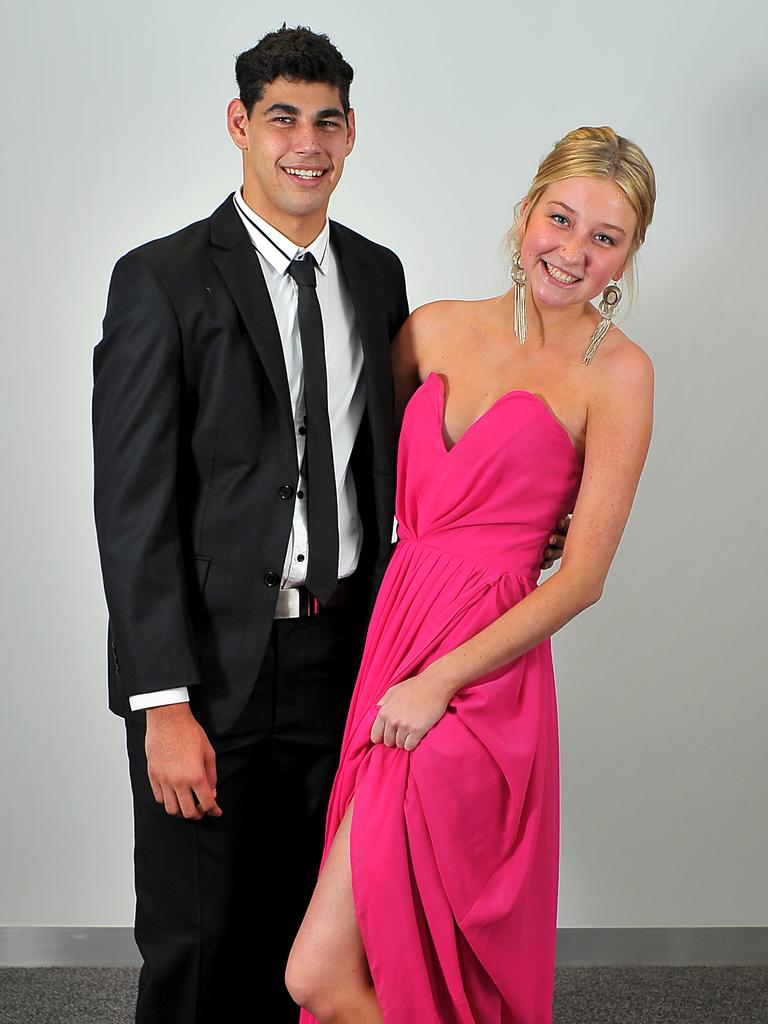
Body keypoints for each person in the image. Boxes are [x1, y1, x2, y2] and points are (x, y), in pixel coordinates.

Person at [92, 24, 568, 1023]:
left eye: (327, 122)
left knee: (306, 931)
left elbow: (406, 451)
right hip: (211, 665)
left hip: (349, 650)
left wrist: (527, 521)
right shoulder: (163, 279)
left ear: (352, 134)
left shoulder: (377, 275)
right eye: (283, 119)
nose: (307, 143)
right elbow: (132, 509)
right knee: (194, 933)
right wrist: (160, 703)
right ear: (241, 125)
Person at [286, 126, 656, 1024]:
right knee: (370, 956)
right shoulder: (433, 326)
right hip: (395, 634)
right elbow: (340, 464)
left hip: (480, 680)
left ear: (627, 257)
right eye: (559, 219)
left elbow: (583, 578)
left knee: (320, 974)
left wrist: (438, 682)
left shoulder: (620, 375)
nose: (572, 251)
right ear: (526, 211)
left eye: (604, 238)